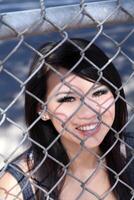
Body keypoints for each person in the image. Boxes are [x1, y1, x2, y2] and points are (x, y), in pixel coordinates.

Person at [0, 38, 133, 200]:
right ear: (42, 108)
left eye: (98, 93)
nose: (89, 112)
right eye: (68, 99)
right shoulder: (15, 189)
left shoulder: (129, 155)